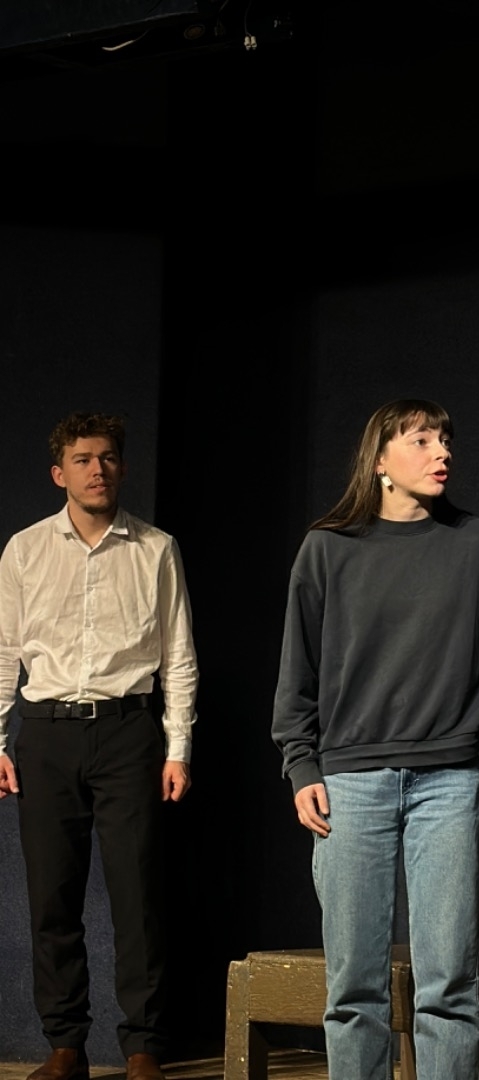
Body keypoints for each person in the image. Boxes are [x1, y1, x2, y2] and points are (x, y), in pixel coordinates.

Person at [272, 398, 479, 1080]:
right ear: (379, 460)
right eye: (422, 440)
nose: (442, 453)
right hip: (350, 785)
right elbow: (298, 667)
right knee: (354, 990)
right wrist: (300, 763)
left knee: (449, 989)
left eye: (445, 441)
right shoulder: (329, 548)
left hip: (447, 784)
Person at [0, 412, 198, 1080]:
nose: (97, 470)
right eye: (83, 459)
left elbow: (178, 655)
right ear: (59, 473)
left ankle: (142, 1046)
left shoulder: (156, 548)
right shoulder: (25, 550)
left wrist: (178, 747)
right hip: (46, 733)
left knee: (137, 895)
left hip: (127, 731)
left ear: (122, 467)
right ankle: (65, 1044)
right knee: (51, 896)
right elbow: (3, 652)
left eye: (108, 457)